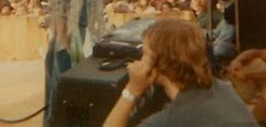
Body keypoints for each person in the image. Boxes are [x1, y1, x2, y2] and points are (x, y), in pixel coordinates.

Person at [104, 18, 257, 127]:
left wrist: (132, 90)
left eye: (145, 53)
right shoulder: (222, 88)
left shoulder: (176, 118)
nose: (140, 58)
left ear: (160, 64)